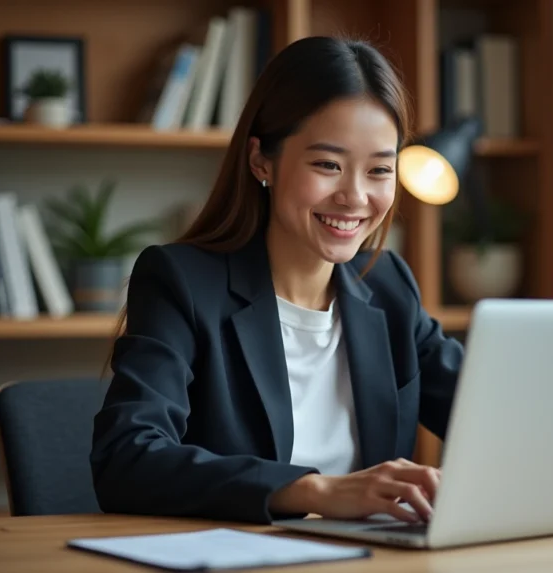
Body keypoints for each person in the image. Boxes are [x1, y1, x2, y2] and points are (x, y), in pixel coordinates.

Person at [89, 36, 464, 526]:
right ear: (261, 160)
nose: (355, 197)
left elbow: (496, 418)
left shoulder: (390, 285)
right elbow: (126, 459)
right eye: (328, 165)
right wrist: (316, 491)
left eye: (379, 170)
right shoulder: (181, 281)